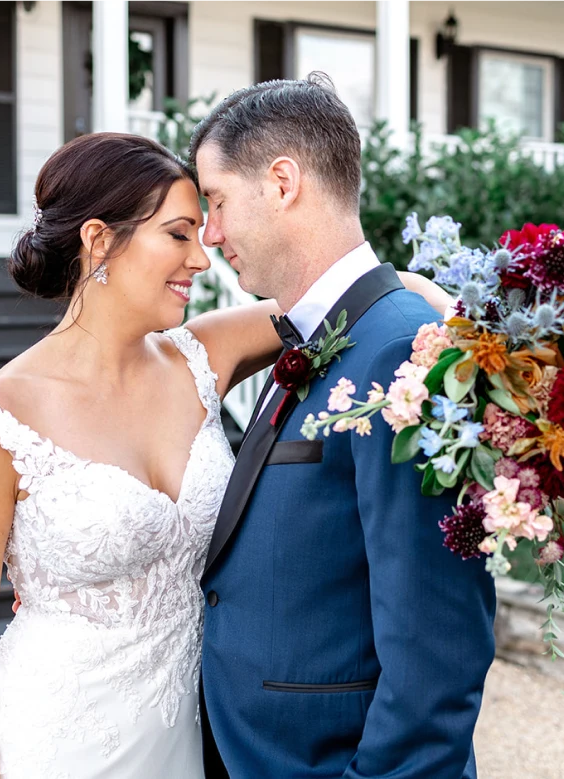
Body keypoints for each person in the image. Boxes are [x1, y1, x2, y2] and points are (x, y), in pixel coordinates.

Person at [0, 130, 451, 778]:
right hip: (56, 742)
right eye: (178, 235)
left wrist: (438, 306)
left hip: (195, 743)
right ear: (98, 241)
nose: (202, 259)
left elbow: (341, 300)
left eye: (201, 233)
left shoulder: (203, 355)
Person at [191, 75, 496, 779]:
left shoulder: (403, 354)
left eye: (217, 200)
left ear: (282, 183)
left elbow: (437, 642)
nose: (211, 233)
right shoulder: (318, 335)